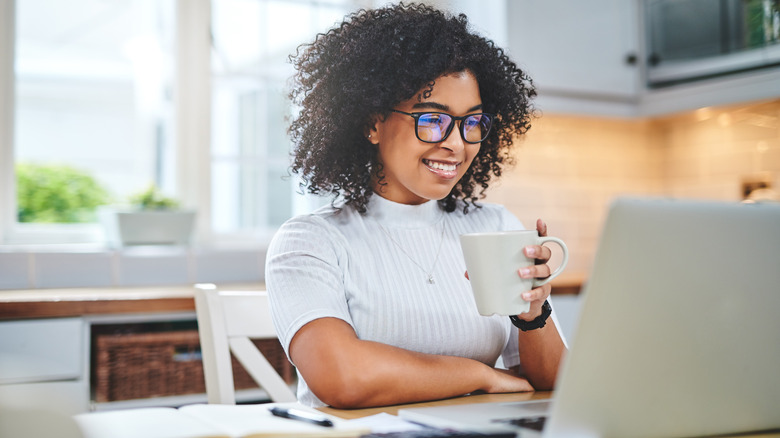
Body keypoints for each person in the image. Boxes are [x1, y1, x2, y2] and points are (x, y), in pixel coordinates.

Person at [265, 2, 566, 409]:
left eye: (472, 122)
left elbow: (551, 384)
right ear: (373, 123)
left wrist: (532, 315)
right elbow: (342, 377)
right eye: (432, 119)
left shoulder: (495, 225)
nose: (457, 144)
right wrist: (479, 375)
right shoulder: (311, 241)